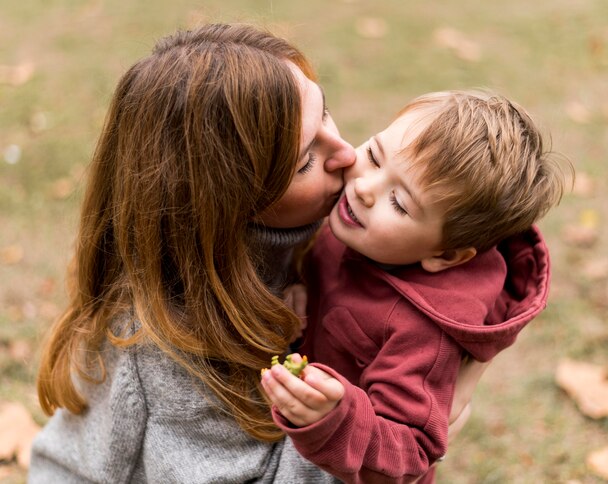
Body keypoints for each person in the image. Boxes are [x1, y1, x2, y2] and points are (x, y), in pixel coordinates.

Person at [28, 25, 480, 483]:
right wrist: (408, 416)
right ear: (225, 201)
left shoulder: (334, 234)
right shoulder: (168, 348)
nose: (346, 155)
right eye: (304, 161)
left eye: (327, 114)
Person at [261, 90, 569, 483]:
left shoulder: (421, 332)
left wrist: (335, 420)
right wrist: (302, 285)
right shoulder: (359, 226)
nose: (366, 188)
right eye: (374, 156)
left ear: (445, 256)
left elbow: (410, 450)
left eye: (400, 203)